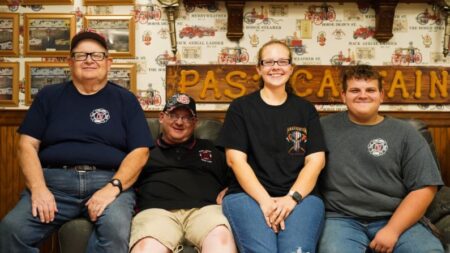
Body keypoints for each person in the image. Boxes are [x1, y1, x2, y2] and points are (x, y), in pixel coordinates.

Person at [0, 29, 152, 253]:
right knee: (11, 229)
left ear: (108, 63)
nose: (89, 60)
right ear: (70, 62)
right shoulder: (48, 96)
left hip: (108, 181)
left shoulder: (125, 100)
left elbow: (140, 152)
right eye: (81, 55)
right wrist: (39, 188)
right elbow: (26, 145)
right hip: (54, 184)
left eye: (97, 55)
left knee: (116, 231)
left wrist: (113, 187)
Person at [318, 64, 444, 253]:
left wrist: (393, 230)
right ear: (343, 96)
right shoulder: (321, 128)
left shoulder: (406, 133)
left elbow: (425, 188)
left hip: (395, 217)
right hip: (340, 218)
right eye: (354, 90)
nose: (363, 95)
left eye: (370, 90)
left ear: (381, 95)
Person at [217, 40, 327, 253]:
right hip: (247, 196)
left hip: (301, 197)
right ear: (259, 68)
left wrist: (291, 199)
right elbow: (235, 160)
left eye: (282, 61)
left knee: (296, 250)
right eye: (268, 62)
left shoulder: (306, 110)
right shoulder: (240, 108)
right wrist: (265, 201)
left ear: (291, 68)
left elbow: (316, 161)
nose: (276, 66)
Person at [129, 93, 237, 253]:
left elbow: (238, 173)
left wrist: (231, 188)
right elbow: (124, 179)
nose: (179, 122)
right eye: (173, 115)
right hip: (157, 213)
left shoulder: (212, 148)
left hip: (205, 212)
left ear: (195, 122)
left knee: (221, 241)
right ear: (161, 117)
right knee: (147, 248)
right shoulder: (144, 151)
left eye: (187, 118)